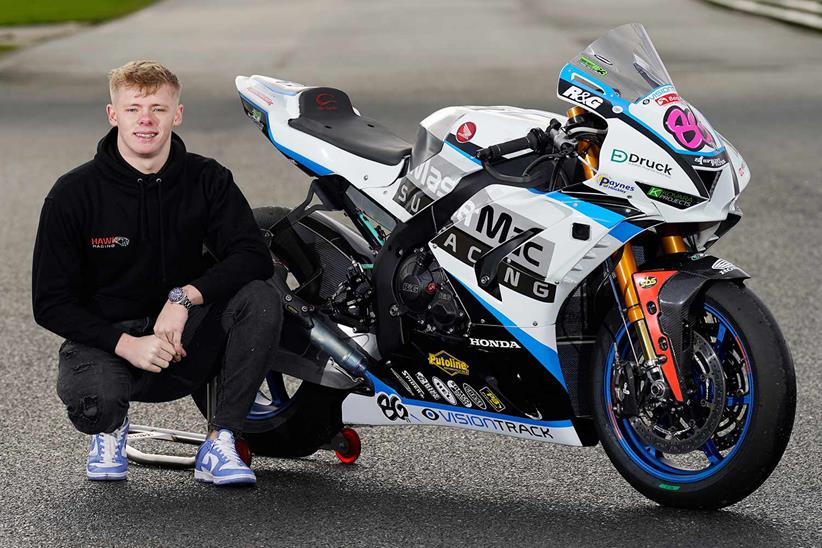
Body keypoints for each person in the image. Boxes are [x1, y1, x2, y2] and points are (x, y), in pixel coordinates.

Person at [32, 60, 281, 486]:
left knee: (260, 296)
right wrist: (125, 344)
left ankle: (222, 440)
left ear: (177, 114)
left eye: (158, 109)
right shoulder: (74, 193)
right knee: (98, 406)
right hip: (109, 343)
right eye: (133, 109)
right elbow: (50, 303)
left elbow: (253, 255)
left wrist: (185, 297)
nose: (145, 120)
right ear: (114, 115)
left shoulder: (208, 179)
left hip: (185, 344)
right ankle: (110, 431)